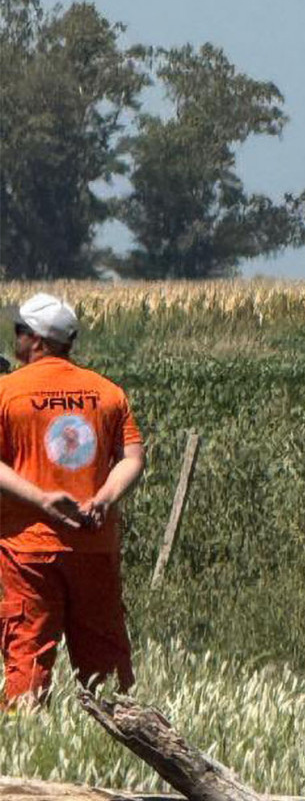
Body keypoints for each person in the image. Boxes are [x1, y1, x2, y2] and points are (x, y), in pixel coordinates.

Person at [0, 293, 145, 706]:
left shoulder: (6, 391)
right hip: (95, 544)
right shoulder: (108, 392)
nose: (16, 339)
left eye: (19, 331)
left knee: (27, 651)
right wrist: (103, 498)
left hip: (27, 547)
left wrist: (42, 499)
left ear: (38, 340)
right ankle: (117, 737)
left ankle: (25, 738)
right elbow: (133, 458)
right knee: (104, 659)